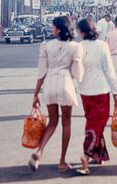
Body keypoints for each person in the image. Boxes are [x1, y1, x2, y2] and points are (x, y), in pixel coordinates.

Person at [29, 16, 84, 172]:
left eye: (53, 27)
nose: (51, 29)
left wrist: (35, 94)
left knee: (52, 122)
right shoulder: (75, 46)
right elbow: (77, 73)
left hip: (50, 84)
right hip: (66, 83)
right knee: (67, 123)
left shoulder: (46, 45)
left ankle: (39, 151)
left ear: (59, 29)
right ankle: (62, 161)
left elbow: (41, 72)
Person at [76, 18, 117, 175]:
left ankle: (98, 155)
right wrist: (116, 93)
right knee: (96, 124)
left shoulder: (79, 47)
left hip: (85, 91)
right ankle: (86, 157)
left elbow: (76, 70)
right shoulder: (102, 45)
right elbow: (109, 70)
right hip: (101, 90)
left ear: (81, 32)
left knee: (93, 122)